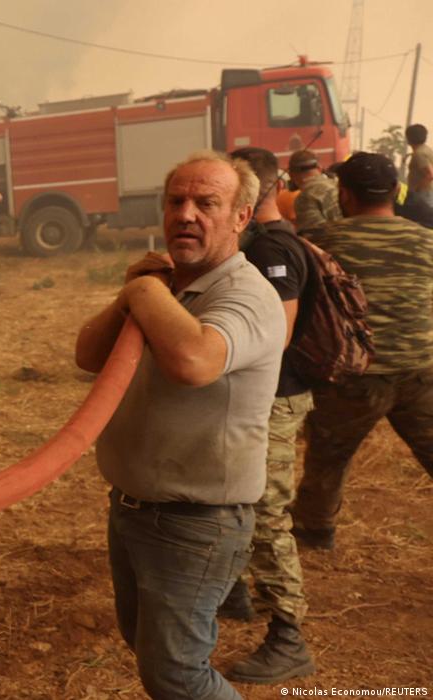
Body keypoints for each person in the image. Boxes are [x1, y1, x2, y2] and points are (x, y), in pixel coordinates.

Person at [74, 151, 285, 699]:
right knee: (147, 646)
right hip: (135, 507)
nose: (186, 214)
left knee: (175, 672)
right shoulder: (169, 287)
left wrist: (143, 292)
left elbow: (196, 361)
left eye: (206, 203)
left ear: (241, 216)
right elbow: (88, 354)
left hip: (196, 519)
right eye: (176, 202)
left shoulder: (247, 295)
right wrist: (136, 293)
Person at [292, 152, 433, 551]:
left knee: (328, 457)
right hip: (419, 368)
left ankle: (315, 532)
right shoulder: (426, 239)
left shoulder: (321, 241)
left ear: (344, 194)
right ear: (394, 191)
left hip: (352, 376)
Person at [219, 147, 318, 683]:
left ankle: (289, 637)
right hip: (261, 397)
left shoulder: (276, 248)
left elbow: (274, 336)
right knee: (236, 495)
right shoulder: (258, 244)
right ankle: (233, 594)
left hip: (276, 400)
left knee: (266, 512)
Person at [289, 150, 341, 236]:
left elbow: (313, 237)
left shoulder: (304, 197)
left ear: (291, 174)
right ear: (320, 168)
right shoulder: (337, 186)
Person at [408, 124, 432, 208]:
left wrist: (416, 190)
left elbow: (430, 174)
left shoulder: (419, 154)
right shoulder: (427, 150)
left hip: (423, 194)